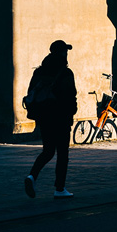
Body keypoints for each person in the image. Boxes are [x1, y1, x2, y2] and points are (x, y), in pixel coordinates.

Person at [24, 40, 78, 199]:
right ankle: (59, 189)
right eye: (65, 51)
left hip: (44, 118)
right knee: (62, 154)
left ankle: (32, 176)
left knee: (47, 151)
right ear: (62, 53)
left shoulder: (39, 71)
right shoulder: (66, 72)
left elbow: (31, 92)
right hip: (61, 118)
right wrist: (71, 111)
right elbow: (71, 94)